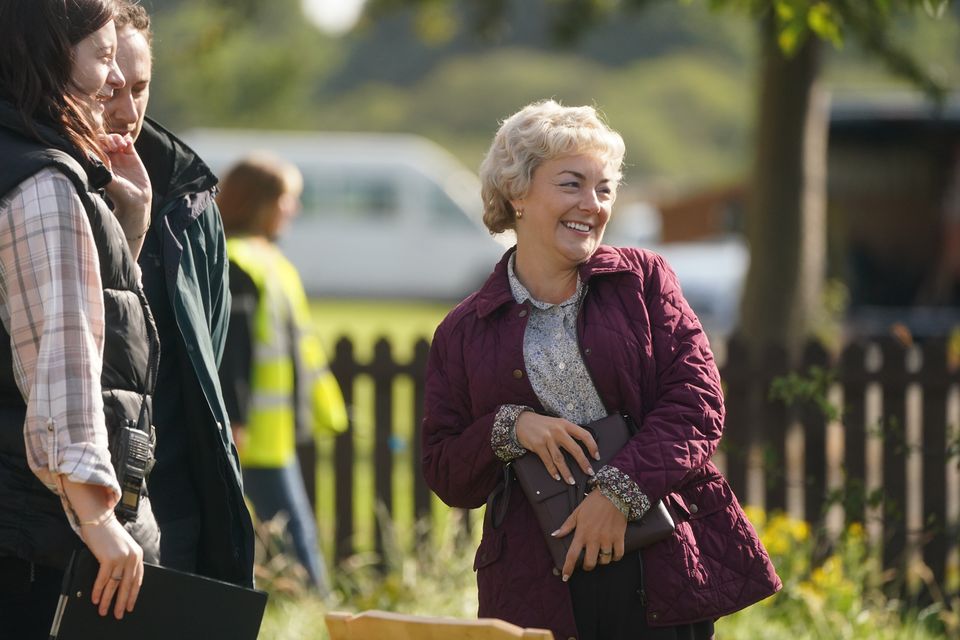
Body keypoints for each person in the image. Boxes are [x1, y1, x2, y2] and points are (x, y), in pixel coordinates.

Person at [422, 100, 781, 640]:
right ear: (517, 193)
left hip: (659, 567)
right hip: (536, 586)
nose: (592, 205)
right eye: (571, 184)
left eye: (605, 188)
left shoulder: (644, 280)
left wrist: (617, 496)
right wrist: (509, 427)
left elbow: (697, 406)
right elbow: (446, 470)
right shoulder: (463, 330)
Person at [0, 1, 161, 636]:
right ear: (48, 60)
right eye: (102, 56)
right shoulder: (42, 185)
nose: (117, 80)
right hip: (39, 542)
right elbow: (60, 363)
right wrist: (100, 520)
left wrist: (121, 231)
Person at [103, 1, 255, 587]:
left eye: (140, 88)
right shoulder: (36, 182)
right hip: (59, 498)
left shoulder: (190, 202)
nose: (127, 110)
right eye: (112, 88)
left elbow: (204, 361)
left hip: (171, 501)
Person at [217, 153, 348, 595]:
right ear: (261, 202)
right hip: (248, 437)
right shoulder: (239, 261)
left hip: (265, 434)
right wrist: (235, 421)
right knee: (297, 544)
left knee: (291, 538)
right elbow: (232, 350)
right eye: (288, 199)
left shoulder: (261, 259)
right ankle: (321, 617)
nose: (294, 209)